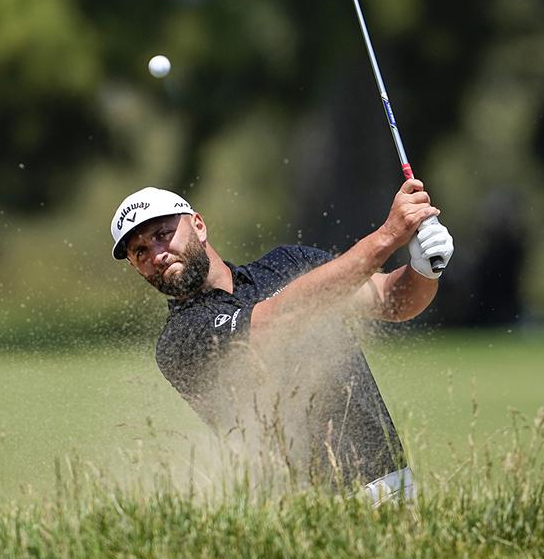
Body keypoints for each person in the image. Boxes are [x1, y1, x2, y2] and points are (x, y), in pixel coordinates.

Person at [109, 180, 453, 503]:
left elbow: (390, 300)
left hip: (394, 485)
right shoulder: (179, 340)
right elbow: (277, 320)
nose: (156, 255)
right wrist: (388, 235)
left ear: (198, 225)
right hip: (313, 511)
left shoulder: (287, 264)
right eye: (140, 252)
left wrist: (424, 269)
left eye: (163, 234)